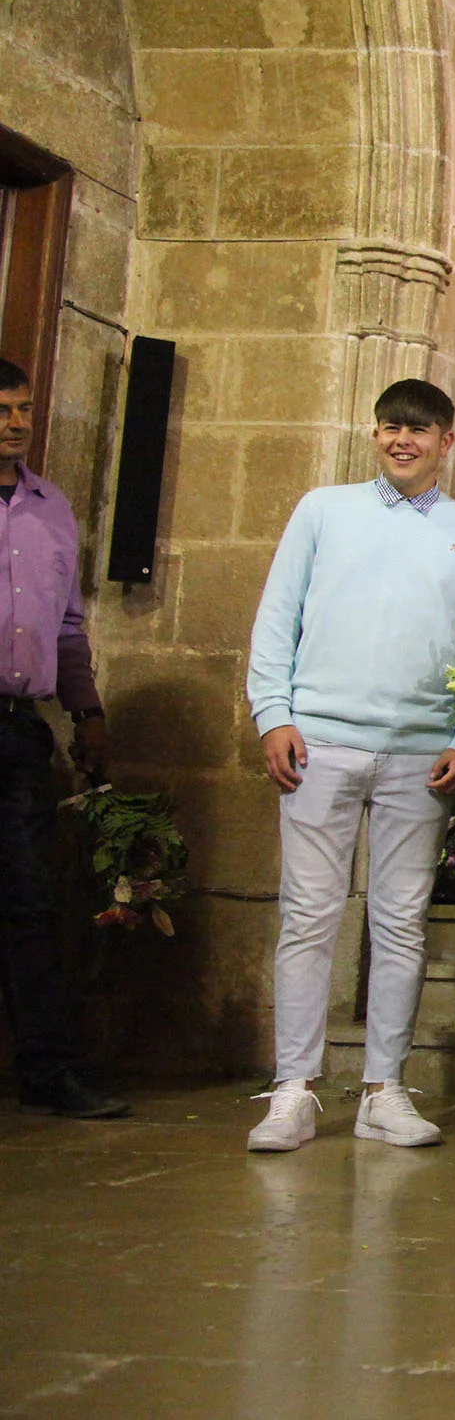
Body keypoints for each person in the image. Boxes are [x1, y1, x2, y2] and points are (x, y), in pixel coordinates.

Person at [244, 378, 455, 1153]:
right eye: (391, 426)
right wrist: (274, 714)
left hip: (422, 751)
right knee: (310, 916)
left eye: (419, 430)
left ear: (446, 443)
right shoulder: (324, 509)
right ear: (376, 433)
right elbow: (276, 615)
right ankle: (293, 1089)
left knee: (399, 921)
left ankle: (384, 1089)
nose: (403, 440)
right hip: (319, 739)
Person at [0, 356, 125, 1119]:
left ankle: (47, 1071)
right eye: (2, 409)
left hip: (18, 729)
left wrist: (87, 711)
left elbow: (69, 624)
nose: (15, 421)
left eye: (22, 408)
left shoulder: (51, 508)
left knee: (29, 902)